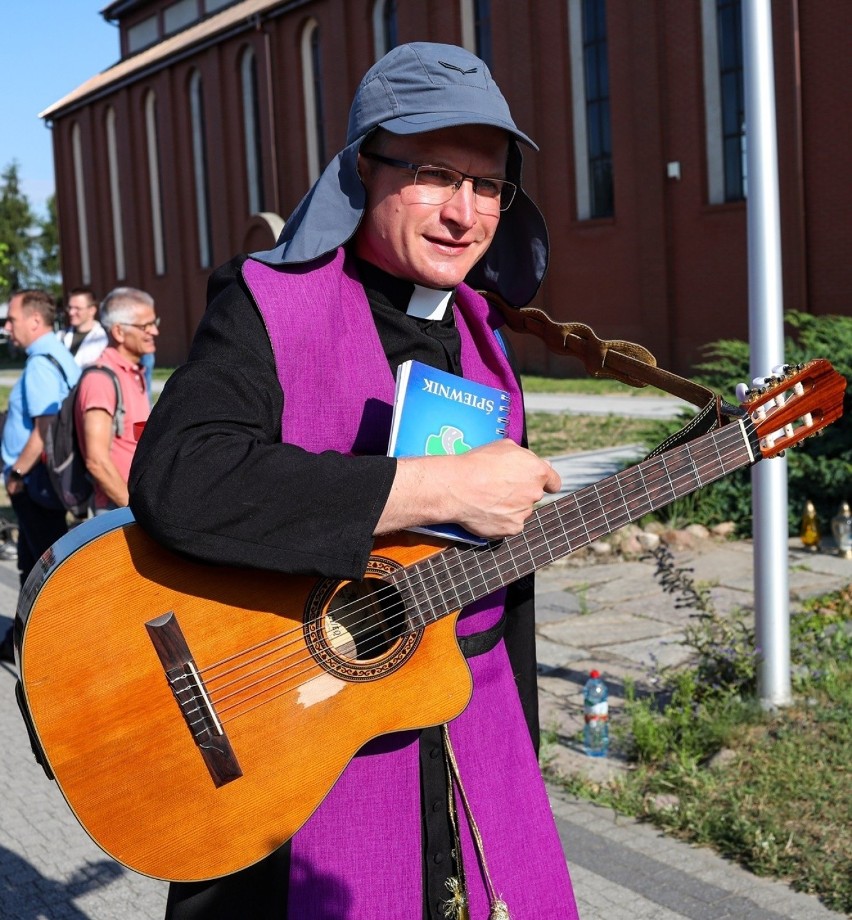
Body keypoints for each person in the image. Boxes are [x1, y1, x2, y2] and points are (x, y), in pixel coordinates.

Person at [129, 42, 578, 920]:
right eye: (436, 174)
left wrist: (519, 752)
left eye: (489, 186)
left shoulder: (486, 337)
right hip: (288, 747)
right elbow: (183, 478)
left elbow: (501, 584)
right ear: (362, 170)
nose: (465, 213)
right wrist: (435, 490)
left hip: (466, 746)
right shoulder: (265, 307)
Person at [1, 290, 80, 662]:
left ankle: (52, 648)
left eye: (11, 319)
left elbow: (44, 427)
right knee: (34, 562)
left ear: (35, 321)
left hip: (35, 481)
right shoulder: (56, 355)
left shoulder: (40, 365)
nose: (7, 326)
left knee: (44, 570)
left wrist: (17, 472)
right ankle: (20, 643)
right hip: (46, 480)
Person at [75, 287, 157, 513]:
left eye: (154, 322)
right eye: (145, 326)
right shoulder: (100, 379)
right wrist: (133, 511)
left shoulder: (133, 371)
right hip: (117, 507)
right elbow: (97, 461)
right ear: (119, 332)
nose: (154, 331)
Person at [59, 286, 108, 366]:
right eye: (70, 307)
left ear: (92, 310)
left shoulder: (104, 341)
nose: (71, 312)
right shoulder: (60, 336)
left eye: (77, 308)